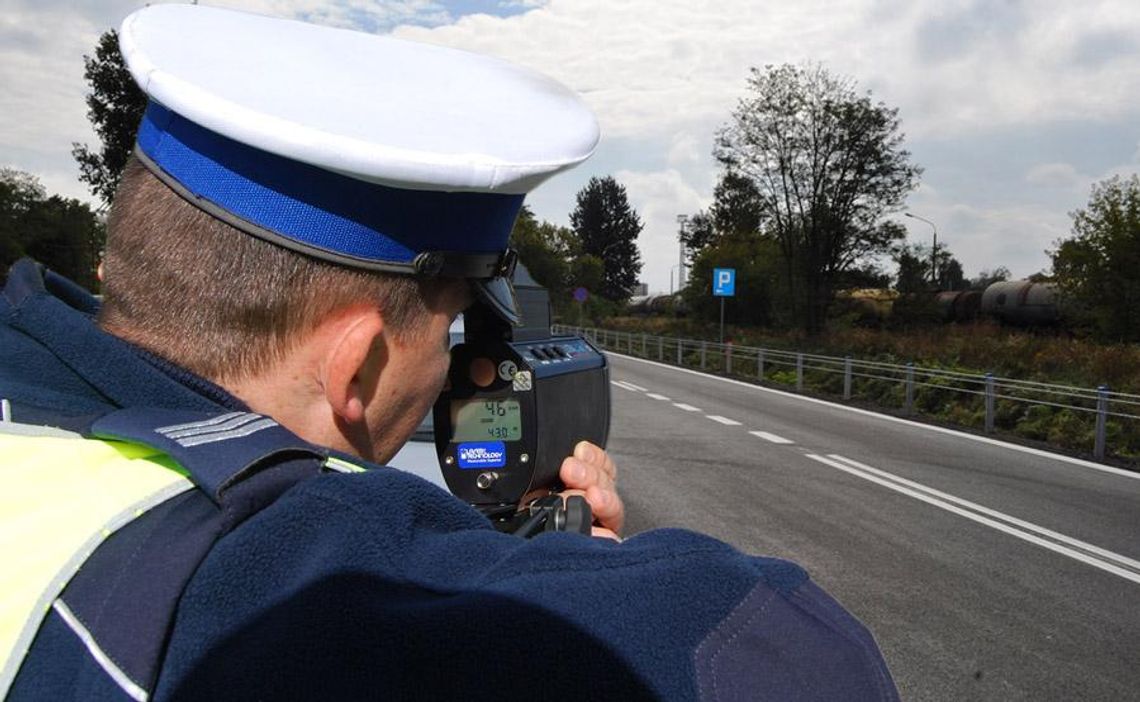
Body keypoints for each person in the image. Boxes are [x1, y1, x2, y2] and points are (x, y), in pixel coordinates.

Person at [0, 4, 899, 701]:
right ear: (354, 369)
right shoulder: (288, 602)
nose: (449, 370)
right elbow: (795, 656)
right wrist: (552, 576)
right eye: (448, 332)